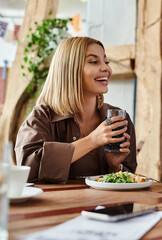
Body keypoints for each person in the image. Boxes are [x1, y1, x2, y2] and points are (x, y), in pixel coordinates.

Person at [15, 37, 137, 183]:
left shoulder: (120, 119)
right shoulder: (41, 117)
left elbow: (129, 180)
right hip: (57, 205)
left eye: (106, 62)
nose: (107, 68)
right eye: (93, 62)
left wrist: (114, 167)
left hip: (106, 205)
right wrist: (92, 141)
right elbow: (26, 170)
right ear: (69, 69)